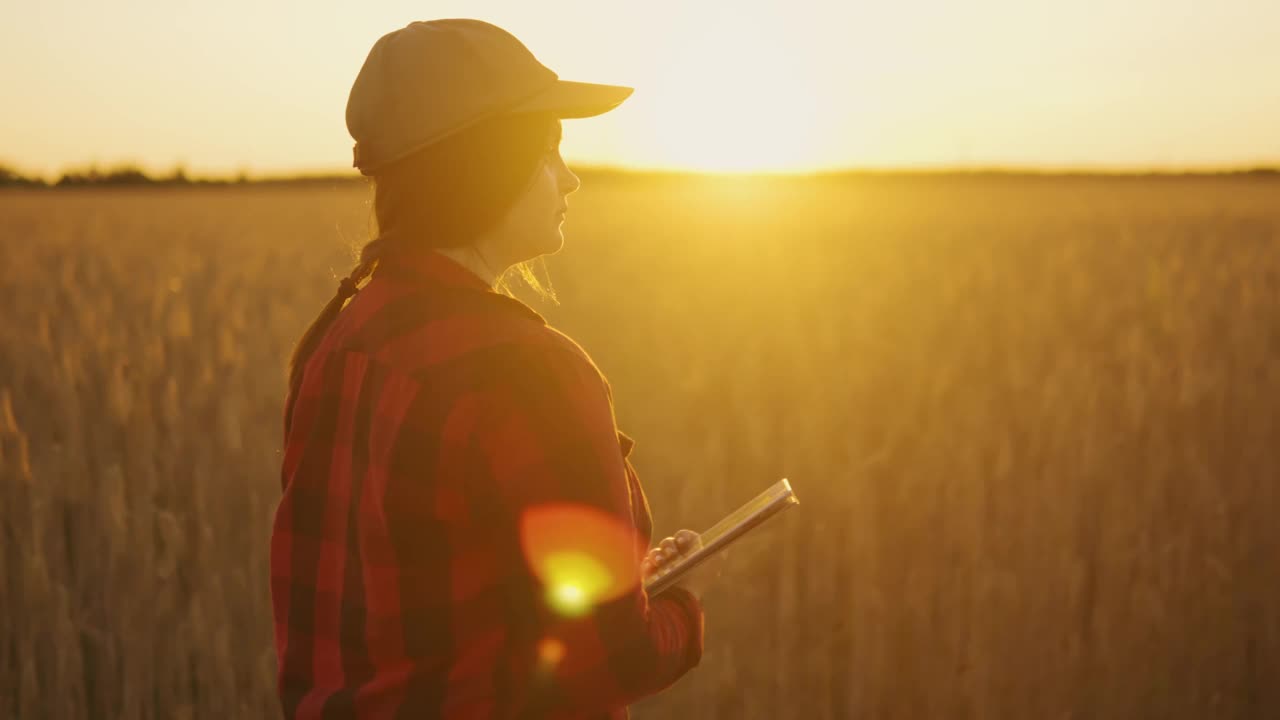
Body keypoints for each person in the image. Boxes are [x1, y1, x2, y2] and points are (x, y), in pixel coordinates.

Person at [269, 19, 706, 719]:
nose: (571, 178)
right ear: (488, 162)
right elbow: (613, 659)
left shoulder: (336, 344)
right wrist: (680, 613)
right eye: (550, 149)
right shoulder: (526, 372)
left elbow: (406, 606)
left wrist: (618, 585)